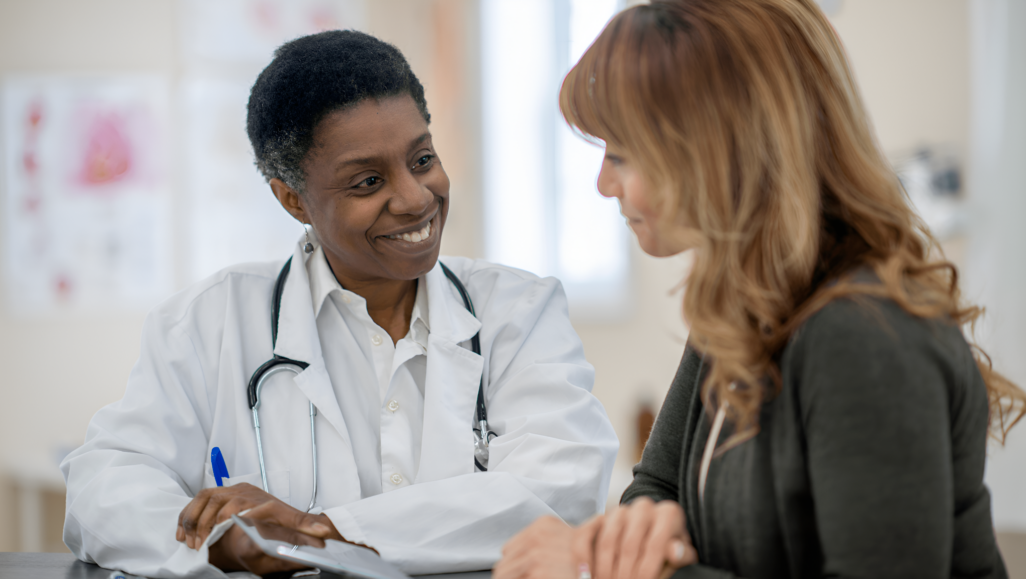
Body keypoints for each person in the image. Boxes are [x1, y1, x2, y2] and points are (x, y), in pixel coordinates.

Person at [493, 1, 1026, 578]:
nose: (603, 184)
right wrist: (634, 545)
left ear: (716, 151)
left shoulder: (865, 335)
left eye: (621, 153)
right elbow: (657, 487)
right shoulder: (740, 306)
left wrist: (595, 567)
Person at [61, 30, 618, 578]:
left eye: (422, 159)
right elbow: (103, 485)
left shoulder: (518, 310)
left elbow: (561, 485)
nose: (415, 197)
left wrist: (317, 533)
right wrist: (219, 546)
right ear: (293, 199)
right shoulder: (208, 323)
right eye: (369, 181)